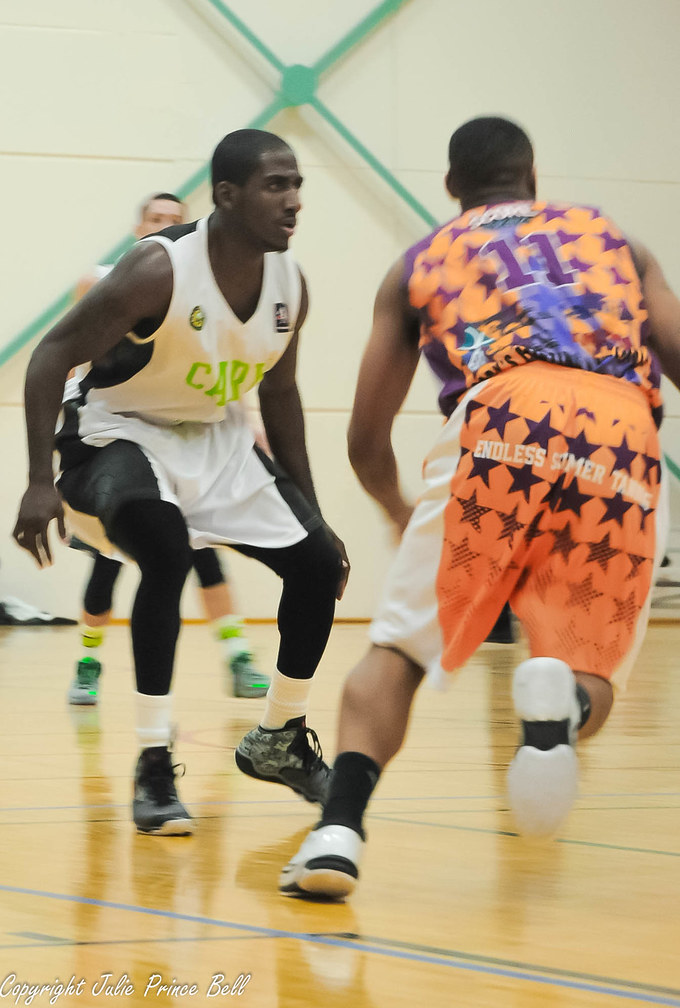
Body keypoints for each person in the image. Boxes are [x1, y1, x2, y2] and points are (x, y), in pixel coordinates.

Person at [279, 115, 676, 899]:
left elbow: (365, 436)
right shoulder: (614, 239)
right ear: (533, 176)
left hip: (502, 419)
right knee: (587, 660)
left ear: (454, 188)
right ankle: (556, 702)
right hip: (619, 430)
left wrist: (398, 509)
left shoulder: (420, 262)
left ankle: (338, 834)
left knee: (398, 649)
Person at [13, 128, 349, 837]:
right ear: (227, 196)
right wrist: (38, 481)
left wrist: (313, 511)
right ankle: (153, 762)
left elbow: (281, 395)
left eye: (297, 186)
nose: (293, 202)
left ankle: (280, 739)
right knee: (165, 553)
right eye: (274, 186)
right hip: (118, 432)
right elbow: (48, 356)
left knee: (320, 565)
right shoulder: (156, 271)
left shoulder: (290, 283)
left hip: (215, 439)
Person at [68, 192, 269, 706]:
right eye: (156, 219)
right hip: (117, 440)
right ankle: (88, 663)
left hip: (178, 439)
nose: (165, 226)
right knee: (107, 561)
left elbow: (221, 366)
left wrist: (250, 421)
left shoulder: (199, 292)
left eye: (175, 221)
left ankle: (237, 657)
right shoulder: (101, 281)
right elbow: (70, 360)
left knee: (201, 550)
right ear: (138, 226)